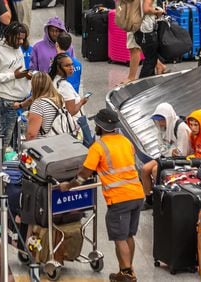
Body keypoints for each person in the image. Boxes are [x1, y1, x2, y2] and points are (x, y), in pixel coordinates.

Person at [59, 108, 144, 282]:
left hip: (119, 198)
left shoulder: (98, 147)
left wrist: (68, 185)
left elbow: (83, 175)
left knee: (120, 238)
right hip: (137, 193)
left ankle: (127, 274)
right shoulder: (125, 141)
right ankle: (126, 271)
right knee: (128, 235)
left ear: (100, 126)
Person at [0, 22, 31, 148]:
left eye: (23, 38)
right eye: (18, 38)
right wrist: (13, 76)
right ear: (9, 35)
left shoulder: (18, 49)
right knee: (5, 139)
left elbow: (19, 70)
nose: (21, 42)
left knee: (19, 139)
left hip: (23, 100)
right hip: (8, 101)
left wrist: (27, 75)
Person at [140, 103, 191, 203]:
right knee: (145, 169)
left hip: (180, 160)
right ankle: (149, 200)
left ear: (168, 117)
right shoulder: (161, 128)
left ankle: (161, 201)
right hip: (167, 157)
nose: (159, 122)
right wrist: (171, 151)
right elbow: (160, 147)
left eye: (162, 119)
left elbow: (182, 152)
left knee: (156, 171)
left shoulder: (181, 128)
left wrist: (170, 151)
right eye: (158, 119)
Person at [26, 72, 65, 140]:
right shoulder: (59, 98)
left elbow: (31, 134)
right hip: (59, 140)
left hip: (43, 145)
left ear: (34, 86)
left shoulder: (38, 104)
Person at [49, 53, 87, 118]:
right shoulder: (64, 85)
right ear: (58, 67)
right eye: (67, 66)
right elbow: (71, 111)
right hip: (71, 124)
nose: (71, 68)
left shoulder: (52, 79)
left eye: (72, 65)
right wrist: (81, 102)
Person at [134, 0, 164, 78]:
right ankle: (141, 85)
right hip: (146, 30)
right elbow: (146, 9)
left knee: (151, 59)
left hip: (138, 28)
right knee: (150, 61)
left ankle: (149, 83)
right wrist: (158, 11)